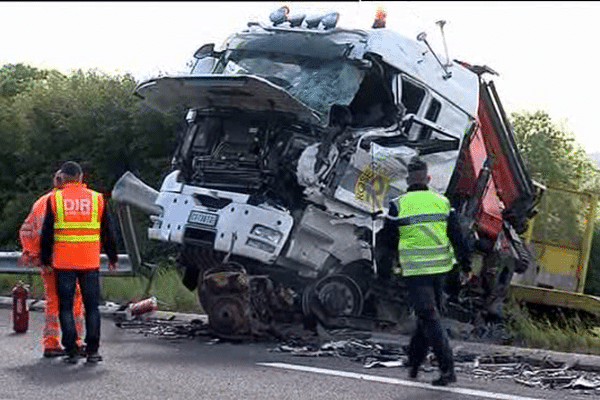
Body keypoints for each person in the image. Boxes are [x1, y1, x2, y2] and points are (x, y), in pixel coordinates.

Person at [383, 156, 457, 386]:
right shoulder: (442, 202)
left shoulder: (398, 204)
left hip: (415, 270)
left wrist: (384, 272)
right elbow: (458, 236)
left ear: (407, 180)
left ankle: (448, 368)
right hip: (441, 269)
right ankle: (414, 363)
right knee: (427, 317)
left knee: (428, 316)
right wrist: (464, 266)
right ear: (428, 178)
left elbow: (387, 242)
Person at [40, 161, 118, 364]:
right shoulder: (96, 199)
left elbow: (47, 233)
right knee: (92, 307)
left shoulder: (55, 199)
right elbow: (108, 231)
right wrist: (112, 256)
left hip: (63, 262)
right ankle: (93, 351)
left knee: (65, 307)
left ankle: (72, 350)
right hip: (89, 261)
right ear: (81, 177)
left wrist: (45, 259)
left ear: (63, 178)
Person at [19, 170, 86, 358]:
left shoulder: (41, 202)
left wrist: (34, 254)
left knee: (53, 300)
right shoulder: (73, 201)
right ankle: (74, 343)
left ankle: (51, 344)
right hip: (69, 260)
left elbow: (25, 230)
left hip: (48, 262)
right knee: (74, 300)